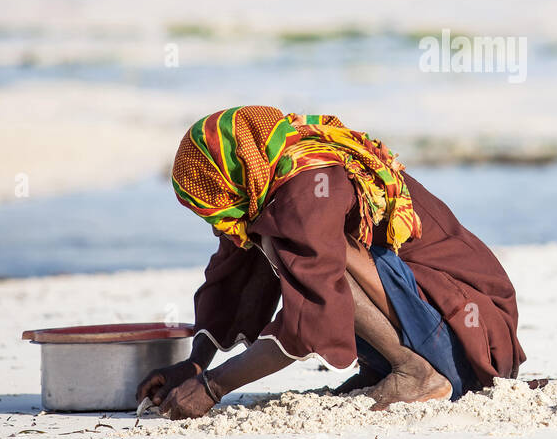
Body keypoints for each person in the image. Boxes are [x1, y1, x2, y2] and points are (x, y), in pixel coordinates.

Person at [136, 106, 525, 419]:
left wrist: (212, 387)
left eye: (215, 203)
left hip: (469, 344)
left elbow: (311, 316)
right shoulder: (272, 177)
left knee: (295, 245)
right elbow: (229, 276)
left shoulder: (308, 184)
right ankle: (389, 368)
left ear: (233, 175)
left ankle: (416, 371)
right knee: (267, 237)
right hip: (453, 337)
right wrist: (195, 366)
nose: (217, 221)